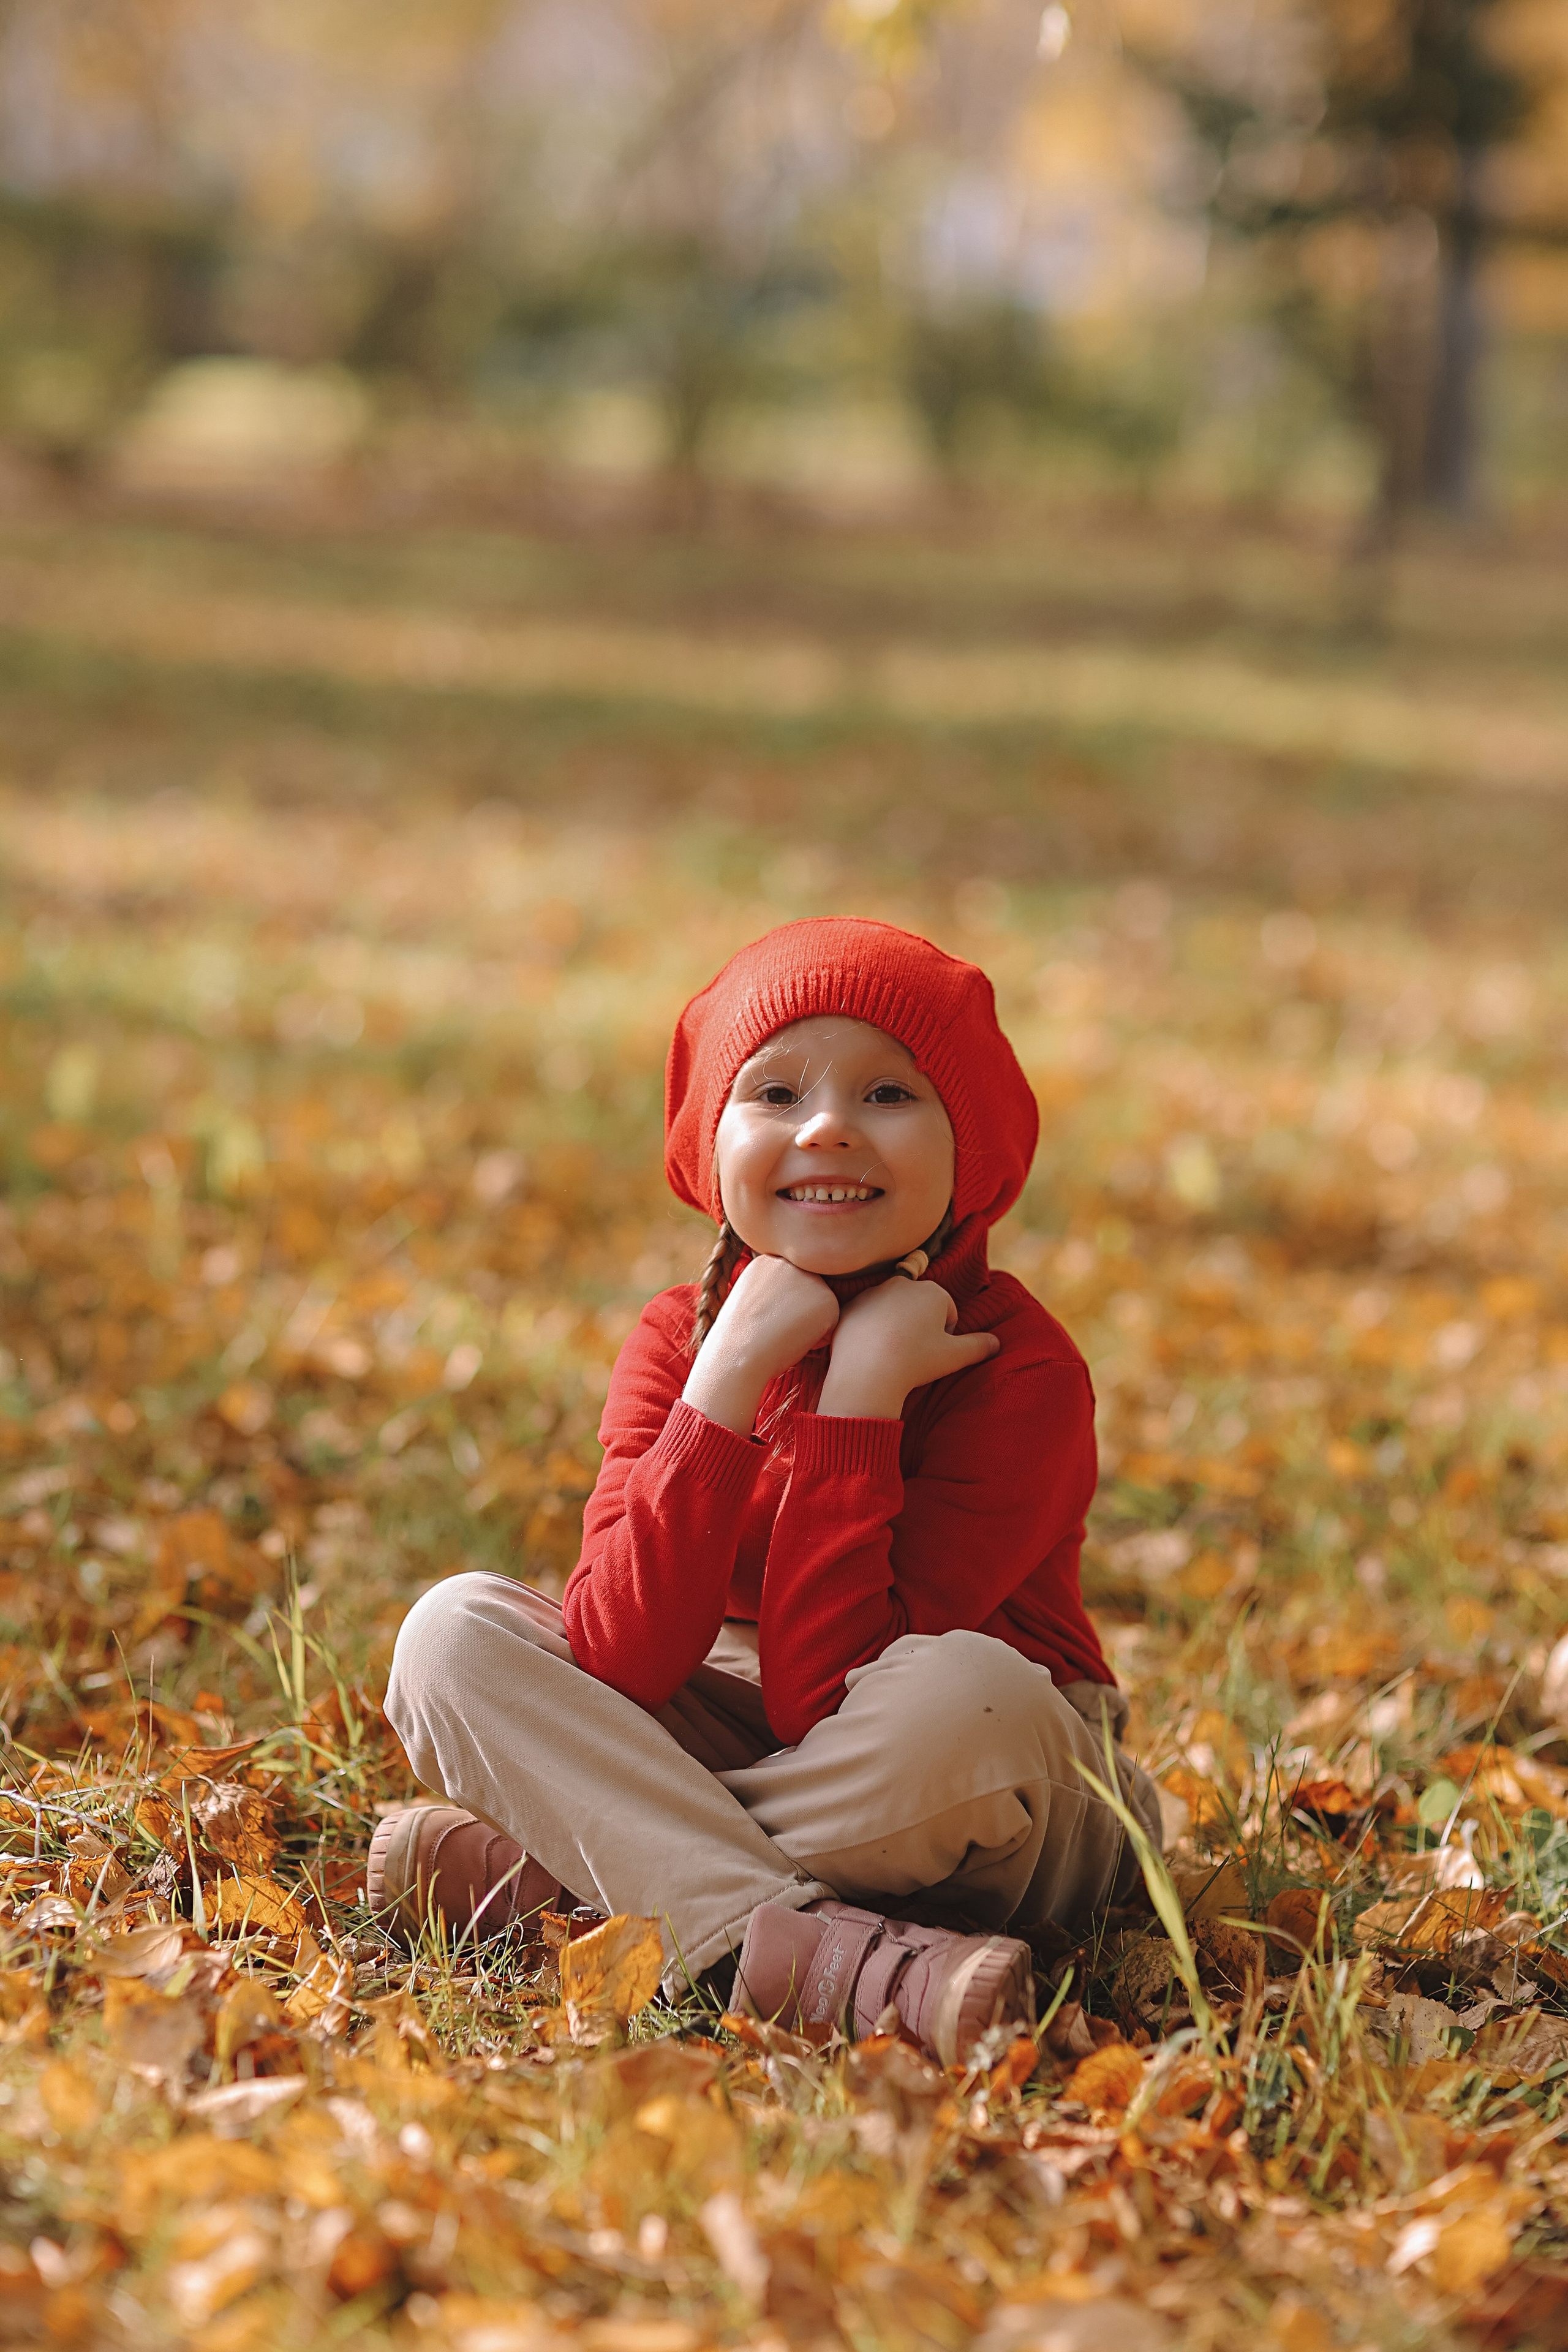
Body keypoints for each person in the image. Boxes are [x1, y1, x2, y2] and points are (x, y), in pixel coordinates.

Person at [375, 918, 1162, 2066]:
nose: (829, 1126)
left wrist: (863, 1404)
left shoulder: (1018, 1370)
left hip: (975, 1775)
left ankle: (584, 1878)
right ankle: (800, 1953)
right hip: (740, 1726)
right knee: (451, 1635)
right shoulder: (682, 1341)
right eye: (777, 1093)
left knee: (958, 1695)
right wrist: (726, 1381)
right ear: (715, 1142)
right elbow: (622, 1656)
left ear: (970, 1150)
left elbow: (833, 1700)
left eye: (889, 1094)